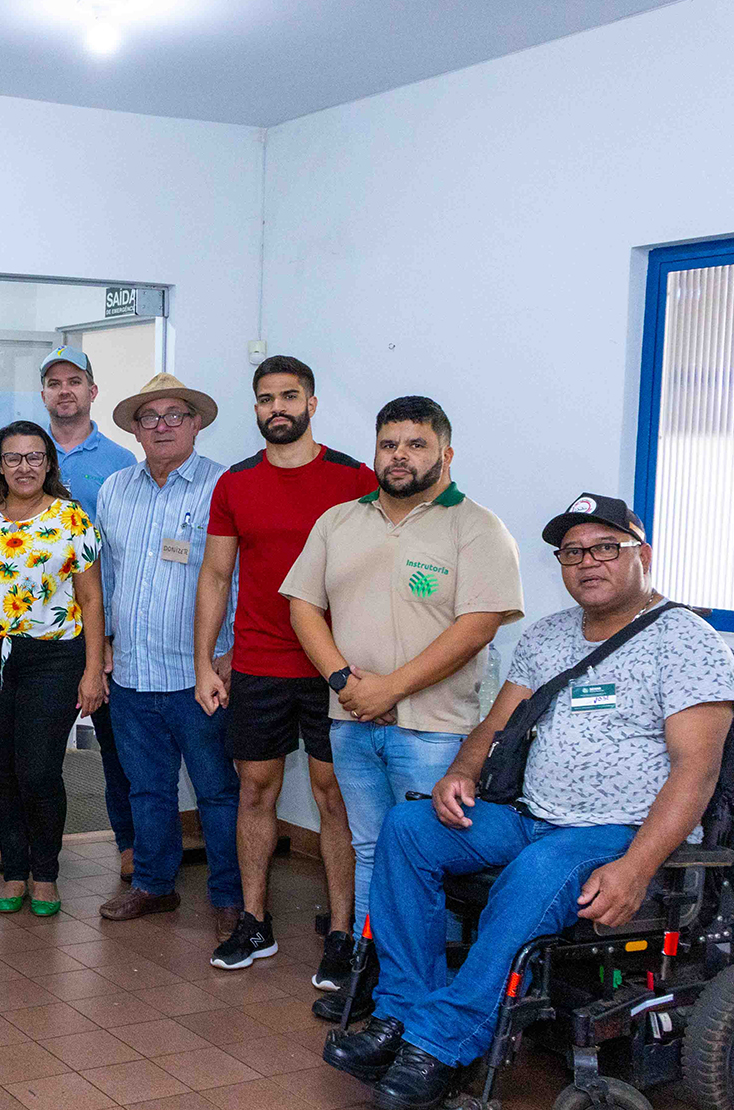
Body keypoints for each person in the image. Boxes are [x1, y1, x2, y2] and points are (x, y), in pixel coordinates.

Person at [324, 494, 734, 1110]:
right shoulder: (547, 637)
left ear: (642, 556)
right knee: (408, 826)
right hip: (531, 818)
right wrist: (459, 772)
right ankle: (402, 1015)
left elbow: (696, 773)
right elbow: (496, 722)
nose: (587, 562)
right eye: (572, 552)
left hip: (616, 832)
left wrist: (636, 868)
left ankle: (443, 1042)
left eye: (606, 548)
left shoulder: (686, 642)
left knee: (537, 871)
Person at [281, 395, 523, 1021]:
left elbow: (477, 627)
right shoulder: (339, 521)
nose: (400, 456)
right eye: (389, 444)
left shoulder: (476, 526)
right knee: (369, 849)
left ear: (445, 453)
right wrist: (344, 681)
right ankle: (373, 978)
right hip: (350, 720)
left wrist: (390, 689)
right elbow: (302, 606)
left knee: (427, 859)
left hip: (436, 732)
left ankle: (426, 998)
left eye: (416, 445)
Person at [193, 356, 378, 981]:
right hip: (259, 664)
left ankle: (341, 932)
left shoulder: (355, 479)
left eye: (290, 396)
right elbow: (217, 575)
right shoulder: (235, 484)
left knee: (334, 797)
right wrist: (204, 663)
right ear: (255, 408)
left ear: (312, 403)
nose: (278, 408)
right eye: (266, 398)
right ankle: (253, 921)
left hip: (335, 668)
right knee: (255, 789)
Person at [95, 372, 245, 955]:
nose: (161, 425)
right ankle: (155, 885)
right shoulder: (113, 490)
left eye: (174, 415)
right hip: (131, 672)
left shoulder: (223, 487)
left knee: (216, 792)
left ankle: (230, 898)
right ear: (134, 428)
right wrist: (103, 642)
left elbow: (241, 577)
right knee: (147, 791)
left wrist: (230, 652)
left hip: (200, 676)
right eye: (149, 416)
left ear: (196, 423)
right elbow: (104, 576)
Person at [0, 421, 105, 916]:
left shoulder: (72, 520)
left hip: (54, 658)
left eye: (35, 457)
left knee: (38, 769)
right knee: (3, 770)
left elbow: (92, 598)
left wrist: (93, 669)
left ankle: (46, 872)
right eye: (13, 458)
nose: (24, 467)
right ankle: (14, 870)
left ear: (49, 463)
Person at [40, 346, 137, 883]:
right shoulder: (25, 455)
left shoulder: (121, 465)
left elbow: (125, 552)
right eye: (53, 383)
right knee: (37, 749)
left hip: (104, 631)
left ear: (92, 391)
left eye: (73, 381)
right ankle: (34, 849)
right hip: (42, 632)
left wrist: (114, 637)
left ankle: (129, 844)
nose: (64, 390)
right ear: (44, 394)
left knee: (117, 747)